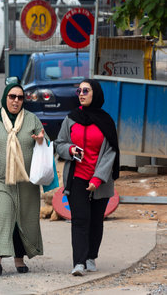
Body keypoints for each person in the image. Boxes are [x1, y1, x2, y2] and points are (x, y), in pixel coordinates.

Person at [54, 78, 120, 276]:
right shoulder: (71, 118)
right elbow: (59, 143)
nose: (81, 94)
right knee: (80, 219)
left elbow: (111, 153)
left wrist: (97, 179)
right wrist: (71, 149)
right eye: (79, 91)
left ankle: (91, 256)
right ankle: (79, 262)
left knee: (95, 220)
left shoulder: (106, 121)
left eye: (86, 90)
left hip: (100, 179)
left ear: (95, 94)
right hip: (77, 177)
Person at [0, 82, 47, 276]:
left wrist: (42, 141)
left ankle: (19, 259)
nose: (16, 101)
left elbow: (46, 142)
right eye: (12, 96)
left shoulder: (32, 120)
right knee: (3, 215)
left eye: (20, 97)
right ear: (5, 97)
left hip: (27, 181)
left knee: (23, 218)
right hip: (0, 179)